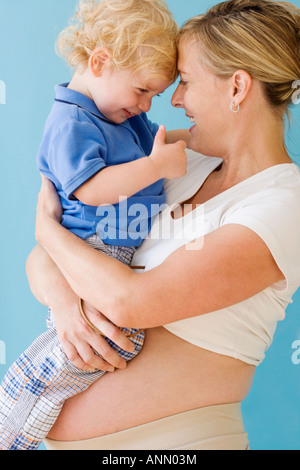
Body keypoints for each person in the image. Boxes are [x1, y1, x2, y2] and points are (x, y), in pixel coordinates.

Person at [7, 0, 300, 450]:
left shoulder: (285, 205)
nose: (174, 100)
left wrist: (47, 229)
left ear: (238, 87)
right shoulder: (178, 165)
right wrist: (67, 306)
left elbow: (129, 303)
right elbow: (44, 260)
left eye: (185, 81)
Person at [0, 0, 189, 451]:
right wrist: (157, 166)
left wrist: (198, 141)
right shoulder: (72, 121)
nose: (145, 105)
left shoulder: (122, 114)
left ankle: (31, 402)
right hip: (93, 249)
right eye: (142, 90)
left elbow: (159, 144)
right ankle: (17, 409)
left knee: (107, 345)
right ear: (101, 62)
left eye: (153, 98)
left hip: (113, 252)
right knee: (105, 341)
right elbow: (92, 189)